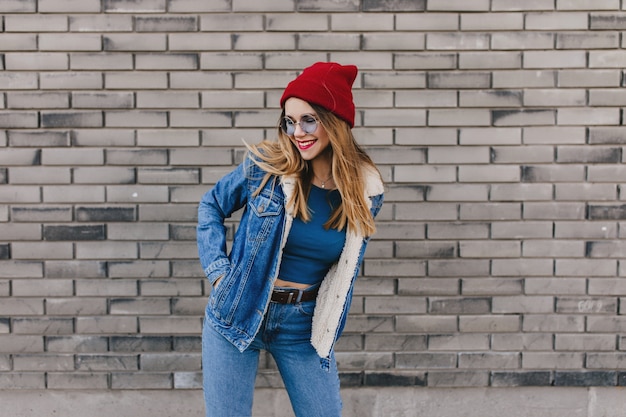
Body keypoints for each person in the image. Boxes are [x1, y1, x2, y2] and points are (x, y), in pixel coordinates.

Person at [196, 61, 384, 417]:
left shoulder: (366, 191)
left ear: (335, 121)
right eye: (290, 121)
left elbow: (342, 271)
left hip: (302, 324)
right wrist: (220, 273)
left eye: (308, 119)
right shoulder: (267, 166)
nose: (298, 131)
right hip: (238, 306)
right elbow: (211, 206)